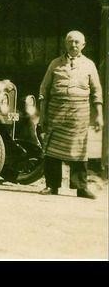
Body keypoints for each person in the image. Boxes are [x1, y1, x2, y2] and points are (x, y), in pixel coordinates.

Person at [38, 30, 103, 199]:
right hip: (56, 113)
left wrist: (99, 115)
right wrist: (43, 115)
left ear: (83, 45)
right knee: (52, 151)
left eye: (77, 42)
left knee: (79, 151)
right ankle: (52, 186)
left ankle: (81, 188)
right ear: (65, 44)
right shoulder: (55, 64)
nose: (73, 45)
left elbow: (97, 92)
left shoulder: (89, 65)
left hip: (79, 114)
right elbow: (43, 90)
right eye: (70, 42)